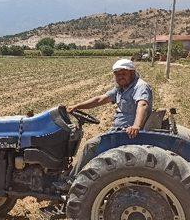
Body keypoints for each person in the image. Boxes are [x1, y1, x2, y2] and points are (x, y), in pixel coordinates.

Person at [60, 59, 153, 189]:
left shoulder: (140, 86)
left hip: (127, 133)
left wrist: (136, 126)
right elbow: (100, 99)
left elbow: (142, 104)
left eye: (123, 73)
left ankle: (71, 181)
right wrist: (76, 106)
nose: (120, 76)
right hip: (119, 130)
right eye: (117, 74)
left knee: (91, 146)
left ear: (132, 72)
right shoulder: (121, 89)